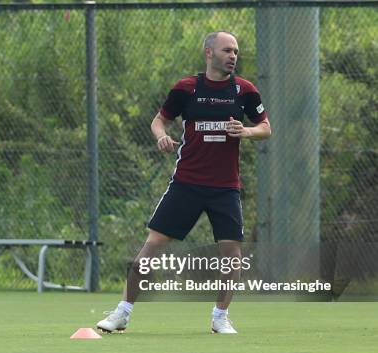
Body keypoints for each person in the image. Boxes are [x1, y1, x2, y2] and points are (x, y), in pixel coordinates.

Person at [97, 31, 271, 334]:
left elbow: (266, 128)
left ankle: (220, 317)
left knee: (232, 254)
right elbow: (158, 120)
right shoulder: (187, 88)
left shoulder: (244, 90)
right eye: (227, 50)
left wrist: (246, 131)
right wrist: (162, 136)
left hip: (225, 188)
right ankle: (121, 312)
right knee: (153, 245)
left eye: (236, 52)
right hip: (187, 184)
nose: (233, 56)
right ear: (208, 53)